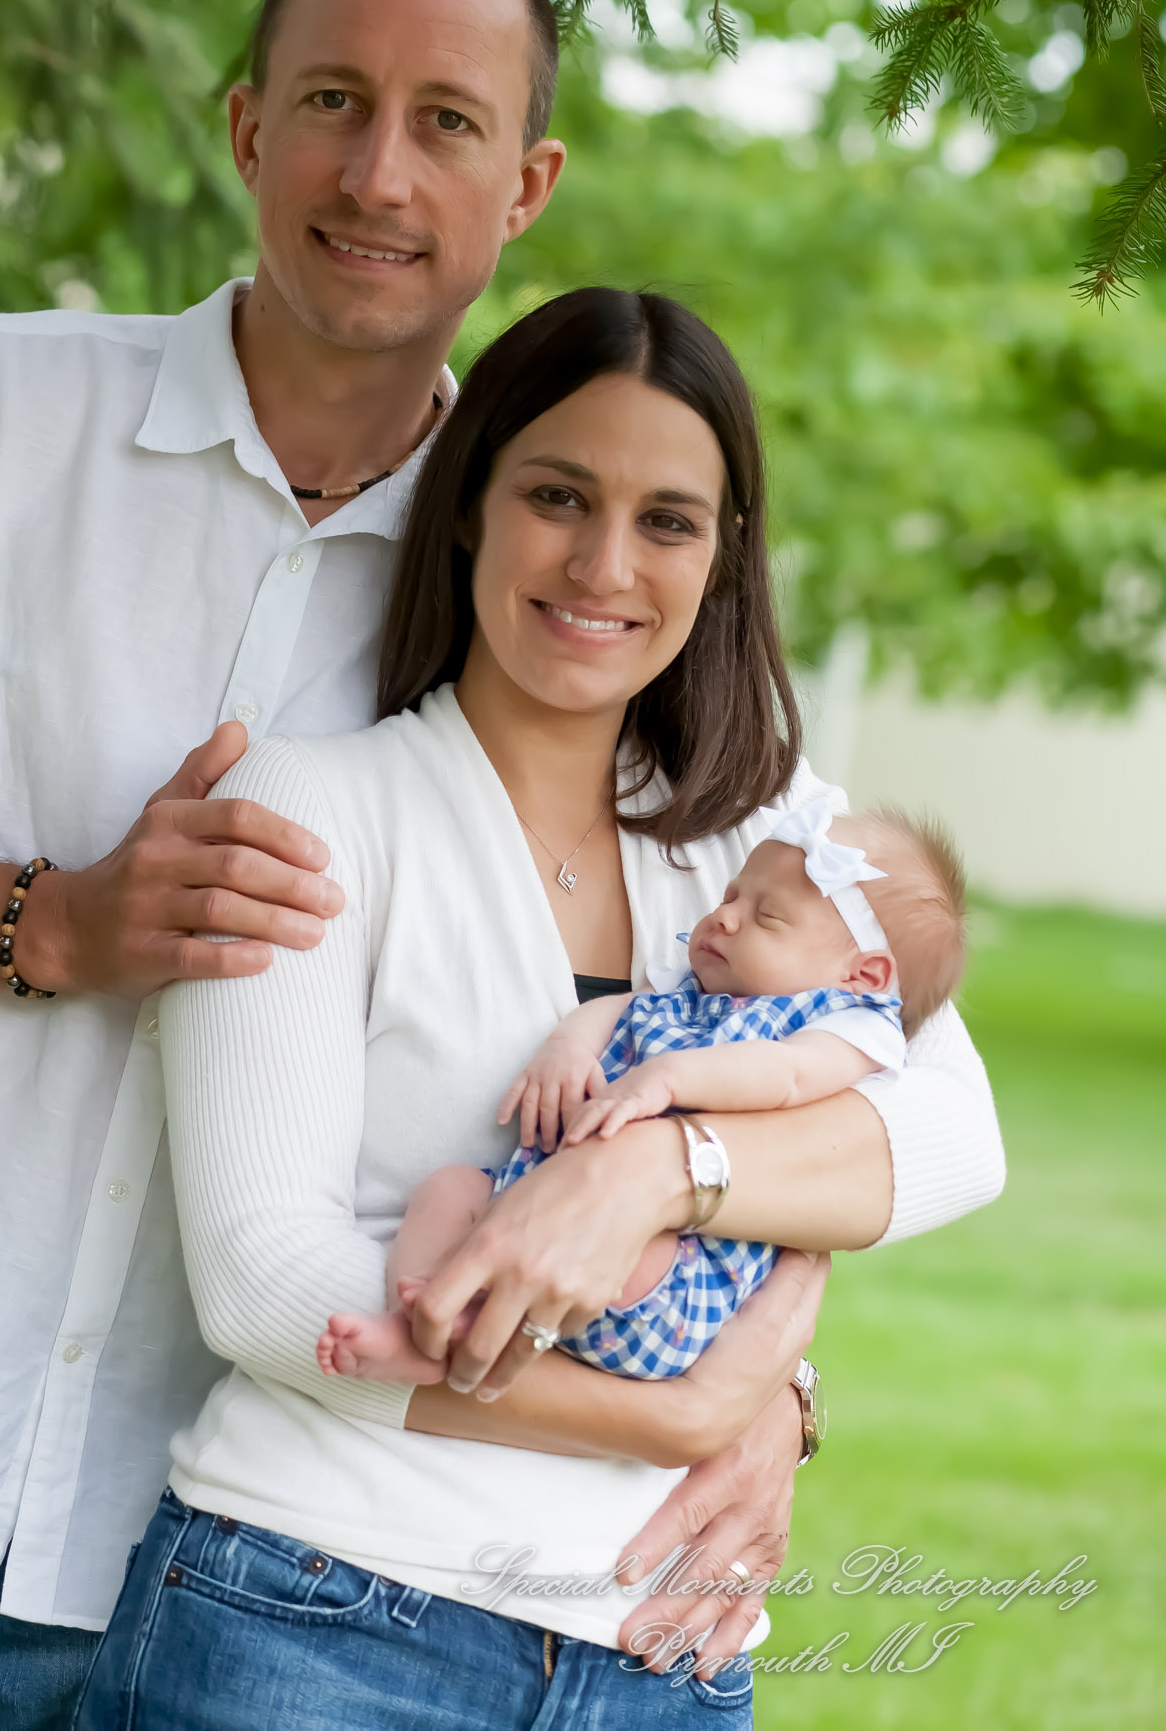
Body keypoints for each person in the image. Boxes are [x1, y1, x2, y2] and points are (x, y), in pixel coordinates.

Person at [0, 0, 937, 1727]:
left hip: (184, 1522)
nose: (378, 168)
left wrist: (770, 1362)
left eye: (448, 121)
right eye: (334, 99)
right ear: (249, 124)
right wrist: (57, 925)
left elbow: (872, 1029)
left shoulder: (544, 571)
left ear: (528, 182)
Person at [73, 288, 1005, 1731]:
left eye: (669, 521)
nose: (603, 564)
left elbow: (953, 1130)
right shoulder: (316, 808)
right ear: (470, 507)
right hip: (316, 1620)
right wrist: (702, 1411)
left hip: (658, 1655)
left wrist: (654, 1169)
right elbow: (267, 1285)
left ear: (725, 557)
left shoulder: (774, 846)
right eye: (558, 496)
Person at [319, 799, 965, 1388]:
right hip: (530, 1209)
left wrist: (666, 1079)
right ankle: (424, 1322)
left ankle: (462, 1333)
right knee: (449, 1191)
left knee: (625, 1244)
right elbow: (623, 1010)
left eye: (767, 917)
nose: (726, 917)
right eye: (732, 893)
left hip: (672, 1262)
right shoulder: (694, 990)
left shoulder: (845, 1027)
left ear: (865, 975)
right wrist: (568, 1048)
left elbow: (783, 1074)